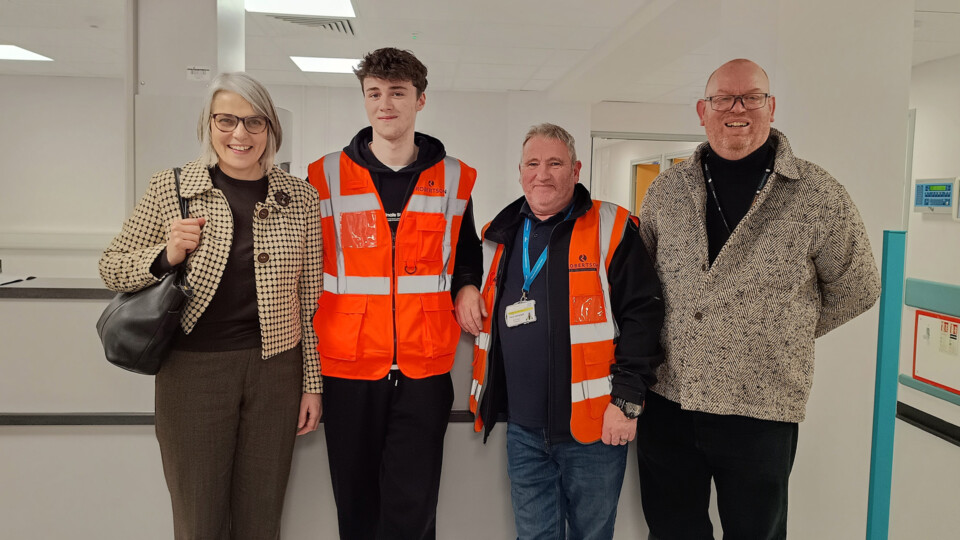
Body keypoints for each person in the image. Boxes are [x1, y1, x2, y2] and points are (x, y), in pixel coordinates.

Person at [636, 58, 881, 539]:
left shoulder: (817, 194)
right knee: (671, 531)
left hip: (761, 408)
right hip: (670, 400)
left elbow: (859, 286)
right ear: (703, 111)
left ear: (771, 107)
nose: (737, 109)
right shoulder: (666, 191)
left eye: (751, 97)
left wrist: (780, 331)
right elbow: (642, 286)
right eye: (724, 99)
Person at [99, 72, 323, 539]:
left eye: (254, 121)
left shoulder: (300, 196)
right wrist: (166, 255)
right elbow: (111, 267)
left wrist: (311, 385)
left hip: (276, 372)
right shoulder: (172, 188)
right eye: (227, 120)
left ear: (271, 130)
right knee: (199, 518)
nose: (240, 134)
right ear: (209, 124)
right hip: (192, 371)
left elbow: (310, 301)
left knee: (261, 519)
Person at [306, 47, 481, 540]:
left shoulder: (454, 178)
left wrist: (467, 285)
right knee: (356, 507)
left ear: (420, 100)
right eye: (374, 93)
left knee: (414, 509)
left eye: (398, 93)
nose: (385, 104)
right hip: (348, 368)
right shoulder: (324, 177)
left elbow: (466, 252)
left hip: (424, 369)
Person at [459, 123, 664, 539]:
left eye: (555, 163)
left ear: (576, 170)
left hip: (592, 429)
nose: (542, 174)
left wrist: (627, 401)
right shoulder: (501, 235)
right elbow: (465, 273)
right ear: (520, 172)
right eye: (532, 164)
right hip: (524, 431)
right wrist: (465, 287)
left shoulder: (611, 227)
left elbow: (644, 316)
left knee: (592, 535)